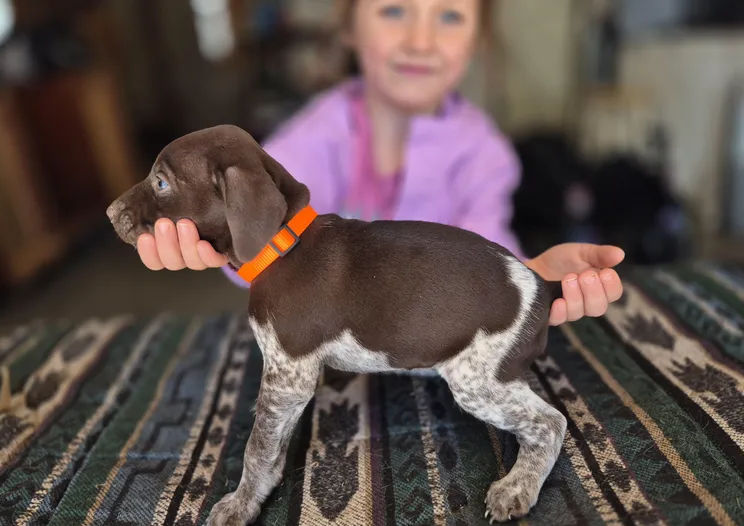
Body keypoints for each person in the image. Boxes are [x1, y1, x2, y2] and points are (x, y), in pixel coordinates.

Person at [135, 0, 624, 326]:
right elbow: (253, 215)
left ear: (477, 39)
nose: (420, 40)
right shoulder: (317, 133)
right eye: (394, 9)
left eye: (450, 16)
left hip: (433, 351)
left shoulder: (484, 152)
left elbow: (486, 250)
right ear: (349, 25)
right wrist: (211, 239)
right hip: (326, 355)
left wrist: (531, 277)